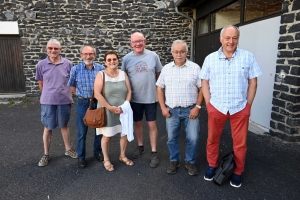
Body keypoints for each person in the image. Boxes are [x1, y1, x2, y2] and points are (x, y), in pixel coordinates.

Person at [200, 25, 263, 188]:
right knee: (212, 139)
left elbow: (253, 82)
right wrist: (208, 103)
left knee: (240, 143)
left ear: (238, 39)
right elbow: (204, 82)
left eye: (234, 38)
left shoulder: (248, 57)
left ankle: (238, 171)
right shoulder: (210, 58)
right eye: (227, 38)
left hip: (239, 107)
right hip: (217, 106)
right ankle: (212, 165)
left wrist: (248, 105)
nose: (231, 41)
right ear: (221, 39)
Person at [156, 40, 203, 176]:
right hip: (172, 111)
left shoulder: (195, 68)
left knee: (193, 138)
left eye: (182, 51)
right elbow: (159, 89)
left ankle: (190, 162)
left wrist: (198, 107)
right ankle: (174, 160)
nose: (179, 54)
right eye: (176, 52)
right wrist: (163, 107)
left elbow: (202, 88)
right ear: (172, 53)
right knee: (171, 138)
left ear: (187, 52)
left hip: (191, 110)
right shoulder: (166, 69)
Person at [121, 32, 163, 168]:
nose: (138, 44)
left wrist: (160, 93)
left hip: (151, 98)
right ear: (131, 44)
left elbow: (159, 76)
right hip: (134, 99)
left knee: (152, 125)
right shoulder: (127, 59)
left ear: (145, 41)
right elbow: (123, 78)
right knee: (137, 123)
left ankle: (154, 152)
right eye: (135, 42)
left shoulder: (153, 56)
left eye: (140, 41)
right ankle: (140, 146)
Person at [35, 38, 77, 167]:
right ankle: (46, 154)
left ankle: (68, 150)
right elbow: (40, 83)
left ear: (60, 50)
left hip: (64, 100)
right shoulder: (41, 64)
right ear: (47, 49)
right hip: (48, 101)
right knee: (48, 128)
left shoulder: (68, 64)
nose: (53, 51)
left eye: (56, 48)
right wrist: (49, 93)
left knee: (64, 126)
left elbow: (72, 81)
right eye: (50, 48)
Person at [94, 50, 133, 172]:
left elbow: (129, 91)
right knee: (107, 136)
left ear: (118, 60)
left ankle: (122, 155)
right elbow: (97, 94)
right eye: (109, 60)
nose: (112, 61)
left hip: (123, 110)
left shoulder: (123, 74)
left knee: (124, 134)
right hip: (107, 111)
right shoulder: (101, 74)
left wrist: (125, 106)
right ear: (105, 62)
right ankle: (106, 159)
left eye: (114, 59)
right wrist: (110, 107)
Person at [67, 45, 105, 169]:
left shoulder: (101, 69)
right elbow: (72, 86)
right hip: (83, 103)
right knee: (82, 132)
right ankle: (81, 157)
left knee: (99, 129)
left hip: (98, 102)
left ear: (94, 55)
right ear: (81, 55)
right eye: (85, 54)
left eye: (91, 54)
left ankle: (97, 152)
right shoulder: (75, 69)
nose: (88, 56)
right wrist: (81, 96)